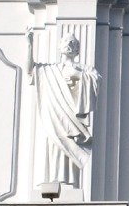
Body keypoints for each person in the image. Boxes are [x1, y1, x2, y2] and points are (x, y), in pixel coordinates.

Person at [31, 33, 100, 195]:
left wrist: (77, 74)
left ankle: (67, 182)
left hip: (71, 118)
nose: (69, 44)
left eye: (72, 43)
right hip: (52, 116)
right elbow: (31, 69)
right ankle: (51, 182)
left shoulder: (84, 68)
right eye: (66, 42)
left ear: (77, 49)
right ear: (60, 47)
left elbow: (96, 81)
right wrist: (29, 45)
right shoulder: (49, 69)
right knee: (52, 144)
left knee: (69, 147)